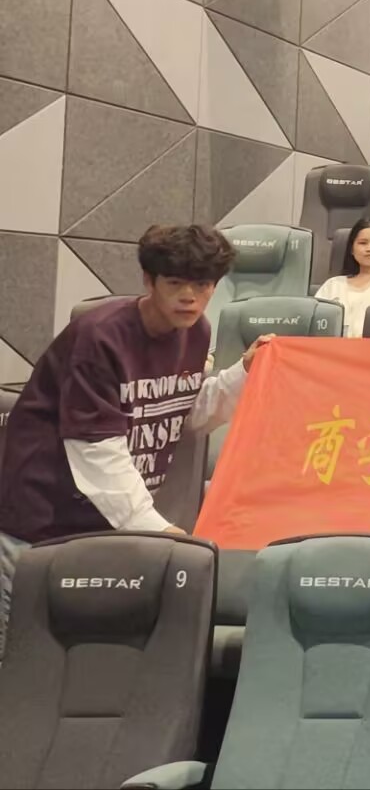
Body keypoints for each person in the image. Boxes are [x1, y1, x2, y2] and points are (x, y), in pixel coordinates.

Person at [0, 225, 262, 653]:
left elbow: (181, 412)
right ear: (148, 280)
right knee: (22, 661)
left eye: (202, 285)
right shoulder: (100, 336)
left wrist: (244, 374)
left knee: (86, 661)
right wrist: (161, 531)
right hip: (41, 524)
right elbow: (97, 451)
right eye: (175, 283)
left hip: (107, 526)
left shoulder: (196, 332)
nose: (189, 297)